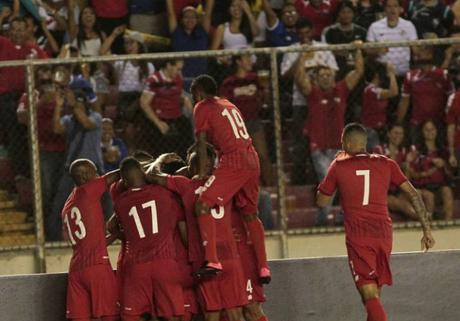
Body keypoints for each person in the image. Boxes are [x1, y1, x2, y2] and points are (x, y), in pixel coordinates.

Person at [316, 123, 435, 321]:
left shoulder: (339, 165)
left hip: (359, 235)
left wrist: (333, 173)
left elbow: (321, 202)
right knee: (374, 297)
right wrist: (427, 230)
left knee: (369, 295)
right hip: (383, 234)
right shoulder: (387, 163)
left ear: (347, 143)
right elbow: (414, 194)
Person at [146, 147, 248, 321]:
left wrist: (161, 158)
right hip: (230, 254)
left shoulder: (185, 185)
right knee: (236, 314)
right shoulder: (225, 182)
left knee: (211, 314)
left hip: (204, 258)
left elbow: (150, 175)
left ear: (191, 166)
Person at [190, 74, 270, 283]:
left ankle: (212, 260)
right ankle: (263, 267)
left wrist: (200, 171)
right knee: (250, 214)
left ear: (199, 92)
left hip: (234, 160)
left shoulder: (202, 106)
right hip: (252, 158)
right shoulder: (229, 104)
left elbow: (201, 141)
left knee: (203, 204)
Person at [296, 41, 364, 225]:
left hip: (338, 147)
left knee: (341, 182)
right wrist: (302, 55)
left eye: (328, 74)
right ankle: (325, 219)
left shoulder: (340, 89)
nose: (325, 78)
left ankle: (335, 217)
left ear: (334, 76)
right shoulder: (313, 93)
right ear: (317, 79)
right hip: (318, 146)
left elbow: (358, 71)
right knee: (328, 180)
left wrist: (357, 50)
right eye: (322, 75)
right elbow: (300, 77)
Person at [113, 157, 185, 321]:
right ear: (142, 172)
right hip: (164, 262)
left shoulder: (120, 203)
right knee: (172, 315)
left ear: (124, 180)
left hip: (137, 265)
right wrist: (159, 160)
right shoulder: (164, 194)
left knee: (132, 315)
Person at [280, 17, 338, 184]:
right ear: (297, 34)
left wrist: (318, 66)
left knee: (322, 141)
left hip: (322, 103)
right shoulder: (292, 50)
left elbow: (333, 71)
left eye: (307, 32)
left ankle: (319, 179)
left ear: (312, 31)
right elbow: (285, 75)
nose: (305, 36)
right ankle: (299, 179)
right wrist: (302, 57)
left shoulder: (323, 48)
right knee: (300, 142)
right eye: (301, 33)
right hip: (301, 102)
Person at [61, 158, 119, 321]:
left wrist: (115, 235)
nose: (99, 175)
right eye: (96, 172)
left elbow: (90, 242)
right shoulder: (87, 190)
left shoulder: (67, 205)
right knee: (110, 315)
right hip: (97, 268)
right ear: (85, 177)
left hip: (77, 269)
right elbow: (116, 175)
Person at [16, 66, 66, 241]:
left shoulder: (63, 92)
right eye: (42, 76)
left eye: (49, 75)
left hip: (65, 149)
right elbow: (21, 118)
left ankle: (58, 233)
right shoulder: (30, 94)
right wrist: (41, 103)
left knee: (62, 194)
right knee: (45, 193)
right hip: (43, 151)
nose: (46, 79)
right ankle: (45, 234)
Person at [0, 17, 47, 177]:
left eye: (22, 29)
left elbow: (47, 66)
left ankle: (31, 173)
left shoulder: (33, 49)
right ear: (9, 31)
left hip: (28, 96)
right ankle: (21, 174)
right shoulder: (3, 44)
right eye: (15, 29)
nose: (18, 32)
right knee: (16, 133)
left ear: (27, 31)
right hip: (6, 97)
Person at [219, 53, 273, 186]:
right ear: (238, 62)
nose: (250, 61)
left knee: (262, 155)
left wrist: (265, 91)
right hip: (237, 124)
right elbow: (222, 103)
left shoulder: (255, 79)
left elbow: (265, 99)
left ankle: (271, 186)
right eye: (247, 58)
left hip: (254, 120)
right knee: (241, 159)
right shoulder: (229, 82)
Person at [396, 45, 454, 143]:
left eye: (422, 50)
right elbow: (404, 102)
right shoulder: (410, 76)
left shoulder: (443, 75)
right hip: (417, 122)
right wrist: (398, 123)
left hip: (438, 122)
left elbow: (451, 100)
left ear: (430, 54)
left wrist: (451, 122)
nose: (417, 53)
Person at [139, 59, 194, 160]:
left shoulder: (177, 77)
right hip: (159, 117)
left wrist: (184, 99)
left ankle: (186, 163)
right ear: (169, 65)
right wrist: (158, 123)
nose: (179, 72)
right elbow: (144, 103)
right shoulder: (154, 80)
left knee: (188, 133)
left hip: (176, 116)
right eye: (177, 69)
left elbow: (177, 92)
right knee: (163, 144)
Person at [406, 120, 454, 220]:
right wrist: (425, 173)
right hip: (422, 186)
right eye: (426, 130)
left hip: (439, 186)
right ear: (422, 132)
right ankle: (428, 227)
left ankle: (448, 224)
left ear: (436, 131)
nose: (429, 132)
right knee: (429, 196)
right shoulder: (416, 151)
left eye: (432, 129)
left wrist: (444, 164)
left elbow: (450, 175)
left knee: (447, 191)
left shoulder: (443, 150)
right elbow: (411, 173)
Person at [373, 124, 419, 220]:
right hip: (382, 192)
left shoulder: (404, 152)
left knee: (421, 195)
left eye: (401, 134)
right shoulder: (379, 150)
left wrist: (407, 163)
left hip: (398, 191)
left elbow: (407, 178)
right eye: (395, 133)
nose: (398, 136)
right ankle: (424, 218)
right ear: (389, 134)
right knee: (399, 203)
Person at [167, 0, 214, 90]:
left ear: (197, 20)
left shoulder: (202, 33)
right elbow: (170, 13)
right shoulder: (176, 33)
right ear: (181, 20)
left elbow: (208, 13)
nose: (190, 20)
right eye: (186, 17)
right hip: (182, 80)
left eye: (193, 17)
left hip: (201, 80)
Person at [366, 0, 418, 77]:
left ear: (400, 9)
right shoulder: (374, 26)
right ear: (385, 9)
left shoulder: (409, 26)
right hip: (382, 75)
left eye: (395, 6)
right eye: (389, 6)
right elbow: (367, 50)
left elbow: (416, 50)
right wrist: (378, 51)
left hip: (404, 73)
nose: (392, 9)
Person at [321, 1, 367, 79]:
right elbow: (325, 52)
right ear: (338, 14)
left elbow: (366, 52)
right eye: (343, 12)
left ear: (353, 13)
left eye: (349, 12)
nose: (346, 15)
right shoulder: (329, 31)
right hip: (337, 69)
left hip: (358, 67)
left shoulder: (361, 31)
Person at [361, 62, 398, 149]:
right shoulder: (371, 90)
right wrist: (392, 74)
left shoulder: (373, 89)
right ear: (377, 75)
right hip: (372, 130)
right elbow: (394, 92)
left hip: (379, 129)